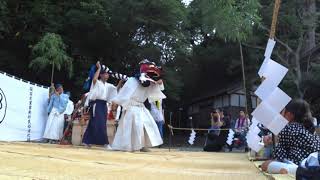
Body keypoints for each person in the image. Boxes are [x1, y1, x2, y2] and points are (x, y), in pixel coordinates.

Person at [111, 60, 165, 152]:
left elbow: (159, 87)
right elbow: (123, 94)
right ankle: (130, 146)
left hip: (141, 106)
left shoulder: (150, 83)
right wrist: (116, 105)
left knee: (147, 125)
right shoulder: (132, 80)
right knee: (134, 127)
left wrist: (159, 82)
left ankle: (142, 145)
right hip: (131, 107)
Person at [261, 99, 320, 175]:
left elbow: (279, 158)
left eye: (282, 112)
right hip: (313, 166)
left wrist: (275, 140)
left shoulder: (289, 128)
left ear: (289, 115)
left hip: (299, 167)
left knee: (266, 165)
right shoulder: (309, 129)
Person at [82, 61, 117, 150]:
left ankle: (87, 141)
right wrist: (99, 68)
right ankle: (105, 143)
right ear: (101, 75)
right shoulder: (97, 82)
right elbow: (94, 79)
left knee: (101, 124)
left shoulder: (108, 85)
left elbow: (116, 89)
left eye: (107, 74)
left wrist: (120, 82)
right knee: (97, 123)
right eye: (105, 74)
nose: (107, 75)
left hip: (103, 105)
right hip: (96, 104)